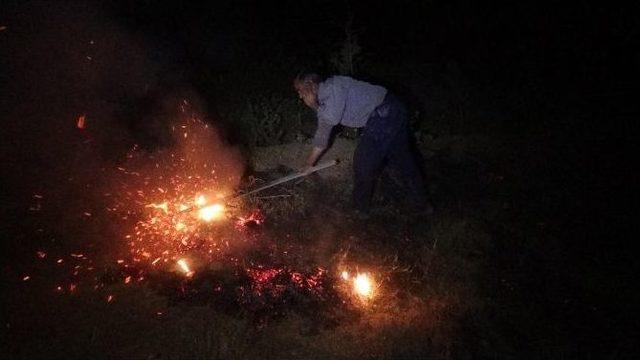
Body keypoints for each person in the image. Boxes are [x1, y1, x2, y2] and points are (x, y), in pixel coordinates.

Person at [293, 73, 432, 216]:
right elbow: (326, 120)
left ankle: (359, 211)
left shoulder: (332, 89)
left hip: (384, 114)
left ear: (310, 86)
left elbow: (325, 127)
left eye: (300, 91)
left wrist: (309, 164)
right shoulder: (327, 96)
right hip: (393, 110)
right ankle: (422, 205)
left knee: (363, 162)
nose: (300, 96)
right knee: (402, 160)